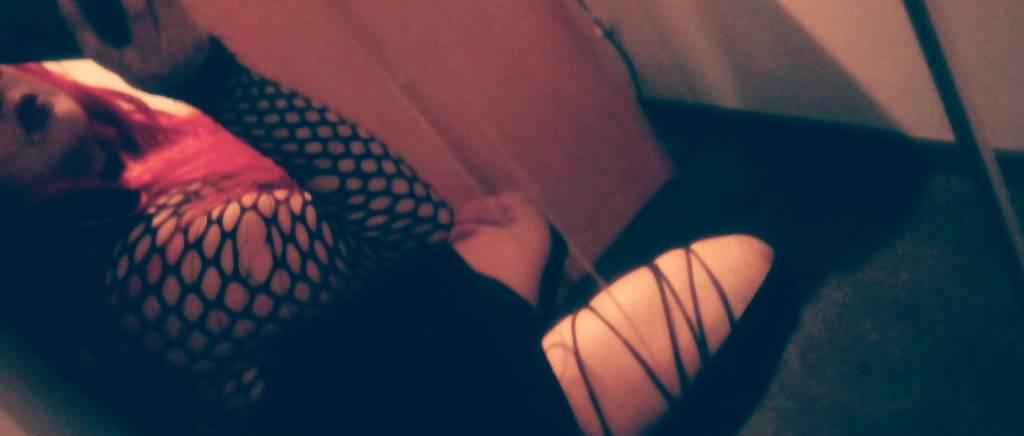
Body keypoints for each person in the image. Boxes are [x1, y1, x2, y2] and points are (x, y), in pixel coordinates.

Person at [0, 1, 783, 434]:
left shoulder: (135, 184)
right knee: (751, 264)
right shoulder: (130, 277)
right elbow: (402, 218)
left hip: (429, 368)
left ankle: (517, 312)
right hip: (470, 408)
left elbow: (390, 247)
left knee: (521, 231)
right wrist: (210, 75)